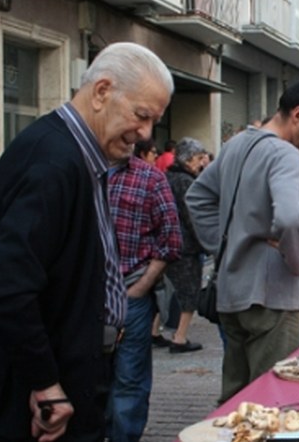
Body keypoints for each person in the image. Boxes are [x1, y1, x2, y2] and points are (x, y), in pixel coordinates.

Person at [0, 42, 173, 441]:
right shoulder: (54, 161)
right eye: (141, 116)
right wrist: (45, 383)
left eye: (153, 121)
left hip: (72, 382)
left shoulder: (80, 156)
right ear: (102, 92)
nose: (145, 134)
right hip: (45, 403)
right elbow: (9, 287)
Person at [186, 79, 299, 404]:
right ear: (297, 114)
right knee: (270, 405)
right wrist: (297, 263)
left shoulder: (237, 143)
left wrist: (225, 243)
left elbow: (197, 196)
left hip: (232, 292)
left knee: (234, 404)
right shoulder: (284, 154)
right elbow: (291, 218)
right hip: (272, 298)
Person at [106, 138, 182, 442]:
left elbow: (172, 240)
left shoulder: (149, 178)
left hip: (130, 294)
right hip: (83, 296)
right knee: (86, 377)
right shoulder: (79, 170)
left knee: (128, 378)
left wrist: (142, 286)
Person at [165, 138, 210, 354]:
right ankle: (180, 337)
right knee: (189, 292)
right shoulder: (187, 182)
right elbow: (193, 216)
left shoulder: (166, 177)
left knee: (162, 289)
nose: (202, 162)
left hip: (166, 241)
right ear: (190, 159)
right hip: (186, 245)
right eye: (199, 158)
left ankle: (155, 332)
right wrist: (206, 242)